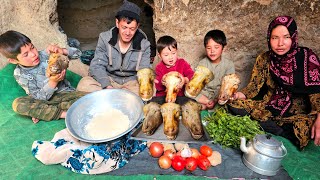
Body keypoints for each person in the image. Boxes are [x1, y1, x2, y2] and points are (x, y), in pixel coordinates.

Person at [229, 15, 320, 149]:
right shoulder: (264, 59)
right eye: (274, 38)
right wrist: (235, 96)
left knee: (305, 129)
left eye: (286, 37)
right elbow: (253, 88)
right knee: (234, 104)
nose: (280, 43)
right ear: (269, 38)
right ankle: (278, 129)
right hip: (270, 107)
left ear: (294, 37)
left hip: (299, 114)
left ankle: (276, 128)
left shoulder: (306, 57)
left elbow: (316, 93)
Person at [0, 30, 86, 123]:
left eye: (32, 48)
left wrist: (62, 51)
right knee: (18, 104)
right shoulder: (19, 74)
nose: (33, 54)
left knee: (89, 99)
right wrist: (53, 82)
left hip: (67, 96)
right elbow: (37, 98)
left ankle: (44, 113)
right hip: (44, 101)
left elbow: (79, 53)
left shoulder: (46, 54)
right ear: (13, 61)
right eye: (26, 54)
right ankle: (64, 114)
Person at [76, 0, 151, 95]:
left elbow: (144, 71)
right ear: (117, 23)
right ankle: (120, 97)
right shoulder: (104, 38)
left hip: (131, 83)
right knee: (84, 85)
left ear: (137, 27)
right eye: (124, 27)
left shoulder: (144, 45)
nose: (127, 33)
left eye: (132, 29)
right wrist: (107, 85)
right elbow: (97, 66)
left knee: (150, 90)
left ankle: (116, 98)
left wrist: (146, 82)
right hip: (109, 79)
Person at [195, 30, 235, 110]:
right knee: (194, 103)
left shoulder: (229, 64)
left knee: (232, 102)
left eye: (216, 47)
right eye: (209, 48)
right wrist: (206, 101)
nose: (212, 51)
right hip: (205, 96)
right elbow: (196, 86)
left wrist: (218, 99)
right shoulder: (202, 64)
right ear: (205, 48)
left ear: (223, 48)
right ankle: (206, 105)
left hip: (220, 97)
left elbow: (229, 86)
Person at [152, 35, 194, 105]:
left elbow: (191, 75)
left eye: (173, 53)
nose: (170, 57)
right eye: (166, 55)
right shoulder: (159, 67)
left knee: (190, 103)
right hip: (163, 96)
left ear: (177, 51)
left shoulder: (182, 63)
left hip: (180, 96)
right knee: (154, 104)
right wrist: (162, 81)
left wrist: (184, 80)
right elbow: (158, 87)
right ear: (160, 56)